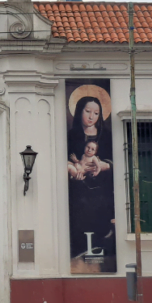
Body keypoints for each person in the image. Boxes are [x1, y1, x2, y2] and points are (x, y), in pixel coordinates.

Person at [67, 93, 116, 273]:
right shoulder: (72, 135)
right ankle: (80, 257)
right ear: (80, 112)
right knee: (79, 219)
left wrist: (103, 166)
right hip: (78, 190)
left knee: (101, 222)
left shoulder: (107, 136)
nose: (91, 116)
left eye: (96, 113)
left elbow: (114, 161)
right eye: (87, 111)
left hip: (102, 189)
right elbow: (66, 160)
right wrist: (73, 169)